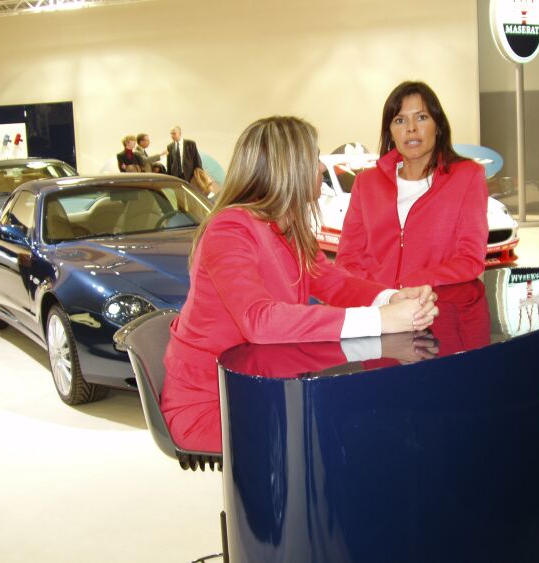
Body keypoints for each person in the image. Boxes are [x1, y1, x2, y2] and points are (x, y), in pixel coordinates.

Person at [161, 116, 439, 445]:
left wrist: (390, 299)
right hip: (215, 402)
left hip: (266, 387)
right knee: (349, 432)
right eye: (313, 157)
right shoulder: (229, 229)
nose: (321, 166)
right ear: (287, 167)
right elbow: (259, 321)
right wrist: (379, 320)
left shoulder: (287, 226)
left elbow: (333, 282)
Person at [335, 81, 489, 288]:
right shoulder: (366, 184)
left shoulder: (468, 177)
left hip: (436, 307)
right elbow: (348, 259)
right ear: (390, 132)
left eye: (422, 117)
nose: (411, 128)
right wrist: (380, 296)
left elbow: (470, 260)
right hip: (378, 308)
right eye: (400, 120)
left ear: (439, 127)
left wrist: (411, 285)